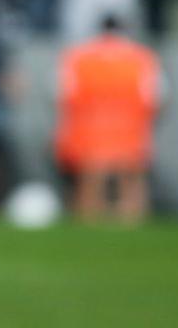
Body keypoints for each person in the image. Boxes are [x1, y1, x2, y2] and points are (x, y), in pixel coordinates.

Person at [55, 16, 162, 223]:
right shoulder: (142, 57)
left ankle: (88, 228)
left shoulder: (78, 57)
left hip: (89, 132)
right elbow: (156, 97)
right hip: (130, 132)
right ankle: (132, 228)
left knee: (90, 182)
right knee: (131, 183)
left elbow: (62, 94)